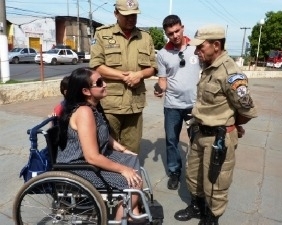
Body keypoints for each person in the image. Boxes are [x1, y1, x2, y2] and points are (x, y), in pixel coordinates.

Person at [174, 25, 258, 225]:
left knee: (215, 182)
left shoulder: (231, 73)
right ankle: (197, 206)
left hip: (218, 137)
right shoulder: (208, 67)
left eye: (200, 47)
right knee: (194, 175)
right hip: (199, 133)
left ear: (216, 45)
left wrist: (231, 126)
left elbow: (247, 110)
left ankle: (212, 218)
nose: (196, 51)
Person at [56, 67, 143, 221]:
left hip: (89, 160)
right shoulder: (84, 112)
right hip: (78, 167)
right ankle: (123, 218)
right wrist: (123, 170)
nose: (105, 85)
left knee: (133, 161)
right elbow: (92, 157)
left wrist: (120, 148)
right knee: (133, 182)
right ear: (86, 91)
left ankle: (132, 211)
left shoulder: (92, 107)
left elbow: (101, 133)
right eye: (99, 82)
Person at [89, 0, 157, 154]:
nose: (131, 19)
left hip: (135, 104)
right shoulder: (102, 34)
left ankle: (130, 176)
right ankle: (108, 178)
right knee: (106, 147)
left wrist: (139, 74)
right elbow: (96, 65)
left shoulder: (145, 37)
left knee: (132, 150)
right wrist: (124, 76)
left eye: (134, 15)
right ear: (116, 14)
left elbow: (153, 68)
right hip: (111, 104)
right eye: (126, 15)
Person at [154, 15, 201, 190]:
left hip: (194, 105)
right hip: (172, 106)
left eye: (177, 31)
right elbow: (163, 79)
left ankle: (195, 173)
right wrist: (159, 88)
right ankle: (174, 172)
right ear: (166, 34)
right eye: (170, 33)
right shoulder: (162, 54)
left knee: (196, 141)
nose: (174, 35)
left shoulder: (196, 48)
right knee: (171, 141)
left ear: (183, 27)